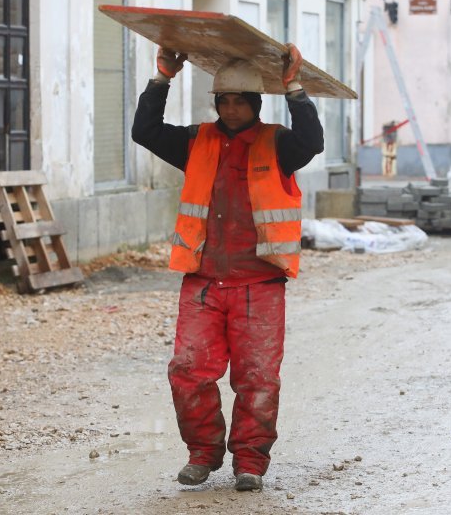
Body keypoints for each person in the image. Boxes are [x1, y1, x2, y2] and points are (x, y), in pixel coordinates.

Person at [131, 43, 324, 492]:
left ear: (257, 104)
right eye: (225, 100)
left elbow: (313, 140)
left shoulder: (279, 143)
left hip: (260, 282)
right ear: (216, 103)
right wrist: (162, 76)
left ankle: (250, 462)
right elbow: (145, 130)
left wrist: (294, 86)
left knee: (257, 379)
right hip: (203, 283)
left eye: (241, 100)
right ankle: (203, 453)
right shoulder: (196, 141)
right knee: (187, 370)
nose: (232, 108)